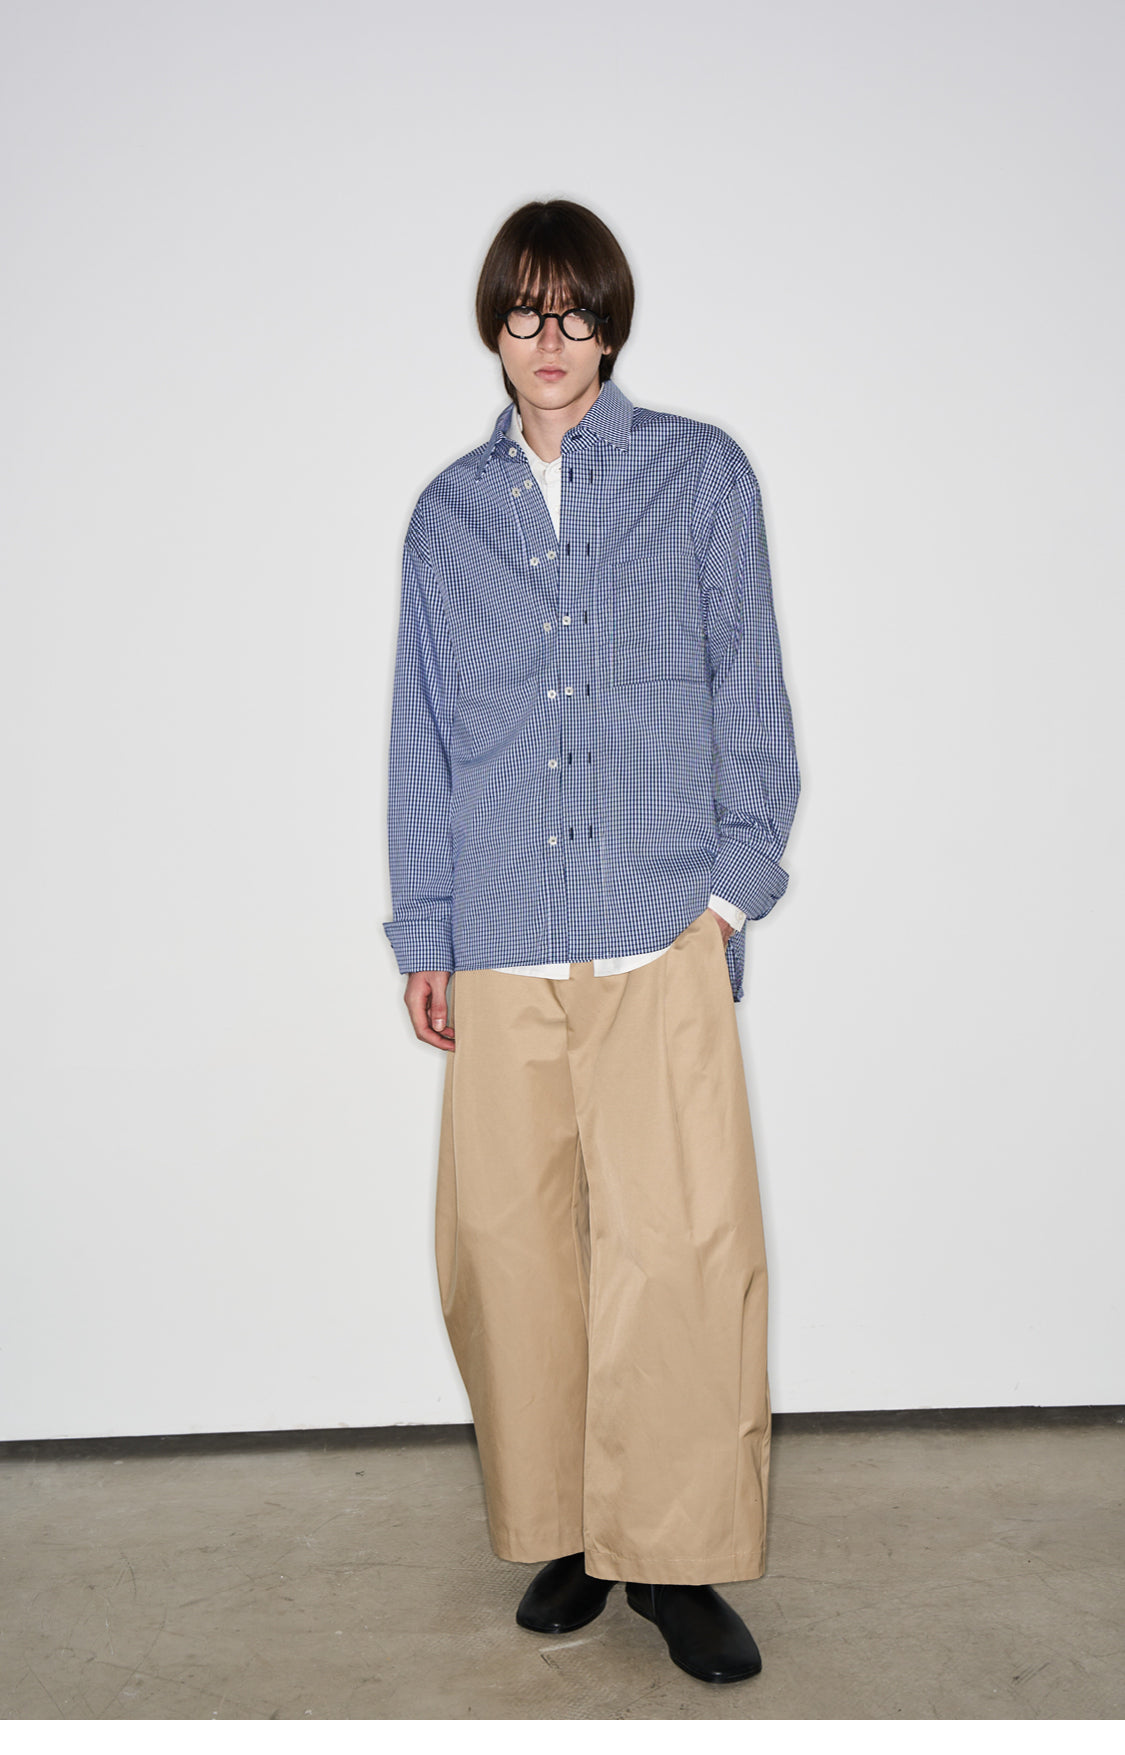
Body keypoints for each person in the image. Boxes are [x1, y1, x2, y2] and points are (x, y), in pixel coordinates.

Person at [384, 198, 800, 1685]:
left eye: (573, 313)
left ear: (609, 326)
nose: (547, 339)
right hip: (503, 940)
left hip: (650, 933)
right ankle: (570, 1526)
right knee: (512, 1254)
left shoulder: (698, 474)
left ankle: (672, 1556)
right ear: (494, 327)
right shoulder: (448, 516)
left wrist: (727, 895)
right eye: (523, 311)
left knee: (677, 1251)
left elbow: (745, 683)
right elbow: (424, 736)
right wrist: (426, 928)